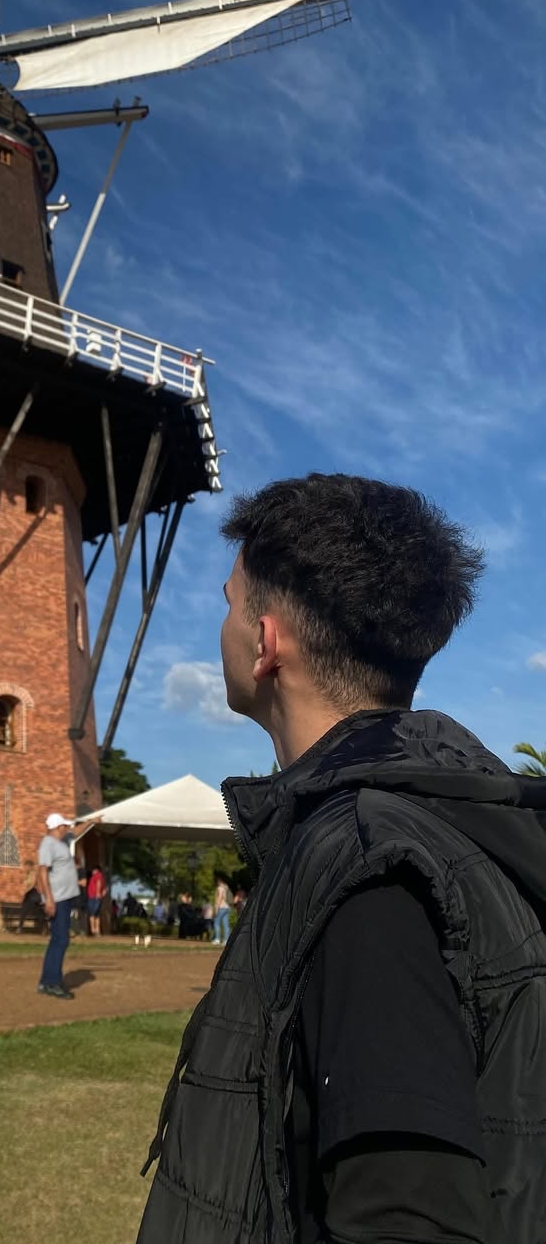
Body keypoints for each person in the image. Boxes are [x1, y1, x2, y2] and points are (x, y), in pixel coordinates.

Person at [137, 474, 546, 1243]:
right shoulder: (438, 824)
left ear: (265, 643)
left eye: (229, 603)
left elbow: (406, 1214)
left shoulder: (367, 868)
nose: (221, 626)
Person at [35, 812, 80, 999]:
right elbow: (42, 872)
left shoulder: (61, 842)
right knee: (60, 940)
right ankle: (52, 982)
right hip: (57, 898)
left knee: (58, 939)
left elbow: (76, 832)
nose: (66, 829)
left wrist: (91, 822)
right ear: (57, 827)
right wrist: (49, 899)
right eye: (64, 826)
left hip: (64, 897)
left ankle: (47, 981)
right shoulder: (48, 844)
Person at [86, 862, 107, 936]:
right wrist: (101, 895)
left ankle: (93, 930)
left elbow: (99, 883)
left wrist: (97, 893)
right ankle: (97, 930)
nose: (92, 871)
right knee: (97, 915)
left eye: (93, 870)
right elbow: (104, 889)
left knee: (92, 914)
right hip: (96, 897)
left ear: (96, 870)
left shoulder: (97, 875)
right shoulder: (100, 877)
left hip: (93, 897)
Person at [211, 872, 231, 946]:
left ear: (219, 881)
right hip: (227, 907)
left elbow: (219, 898)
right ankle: (226, 940)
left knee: (216, 923)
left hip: (221, 907)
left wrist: (216, 908)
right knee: (226, 924)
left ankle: (217, 939)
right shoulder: (226, 887)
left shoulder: (220, 888)